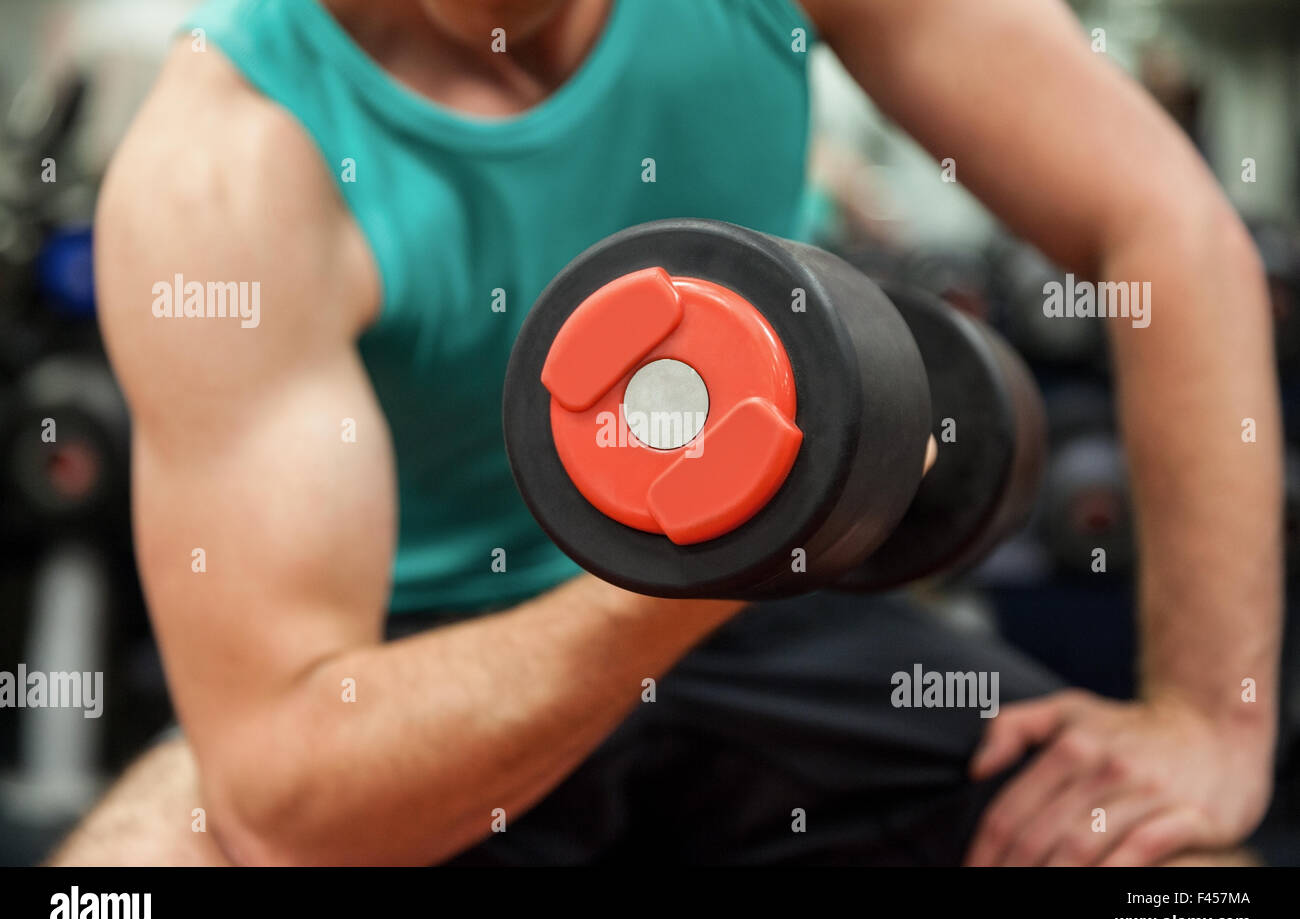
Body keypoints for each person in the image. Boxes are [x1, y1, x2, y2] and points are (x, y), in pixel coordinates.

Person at [54, 0, 1280, 866]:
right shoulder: (223, 168)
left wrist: (1203, 716)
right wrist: (752, 519)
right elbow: (288, 794)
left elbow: (1162, 225)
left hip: (773, 615)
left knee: (1172, 869)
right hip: (399, 673)